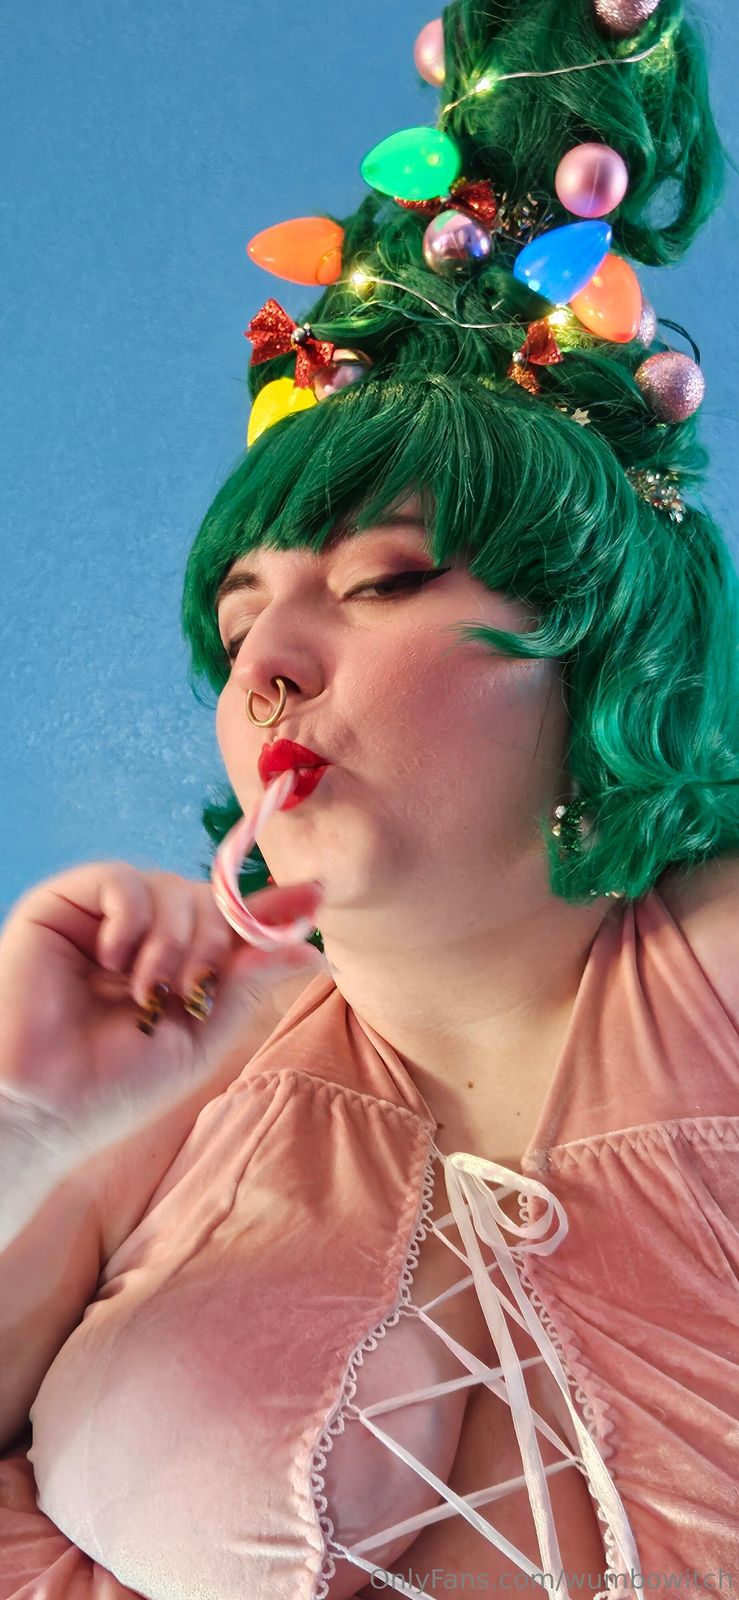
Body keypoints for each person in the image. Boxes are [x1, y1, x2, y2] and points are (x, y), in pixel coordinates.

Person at [1, 0, 738, 1596]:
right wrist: (27, 1131)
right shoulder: (161, 1087)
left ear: (605, 647)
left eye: (384, 582)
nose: (268, 664)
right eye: (236, 624)